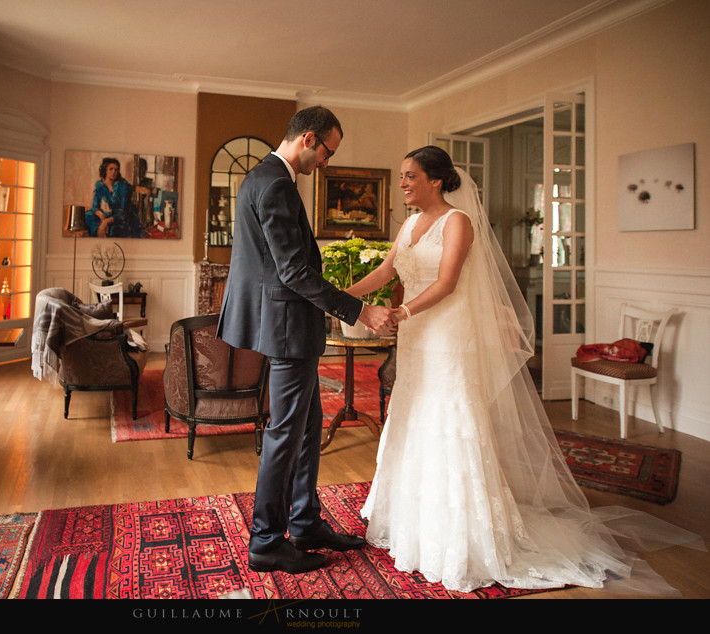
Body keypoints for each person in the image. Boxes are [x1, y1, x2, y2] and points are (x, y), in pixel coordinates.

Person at [347, 145, 701, 593]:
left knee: (449, 418)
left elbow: (448, 282)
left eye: (410, 175)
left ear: (435, 180)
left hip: (448, 336)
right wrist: (341, 296)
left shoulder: (458, 221)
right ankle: (412, 521)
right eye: (401, 175)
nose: (402, 183)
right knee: (415, 414)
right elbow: (386, 270)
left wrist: (401, 313)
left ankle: (459, 536)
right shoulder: (410, 224)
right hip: (418, 337)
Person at [217, 106, 394, 575]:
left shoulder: (260, 177)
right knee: (285, 435)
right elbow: (293, 271)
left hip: (283, 324)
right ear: (308, 138)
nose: (327, 162)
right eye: (327, 152)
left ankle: (306, 523)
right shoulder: (276, 183)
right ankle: (266, 541)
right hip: (286, 328)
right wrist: (360, 310)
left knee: (308, 427)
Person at [85, 157, 132, 237]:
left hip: (118, 216)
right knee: (88, 216)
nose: (114, 172)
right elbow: (95, 206)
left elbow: (123, 211)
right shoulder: (100, 185)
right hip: (105, 215)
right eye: (111, 169)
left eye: (116, 170)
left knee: (114, 228)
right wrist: (102, 218)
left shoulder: (122, 186)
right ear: (105, 170)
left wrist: (106, 221)